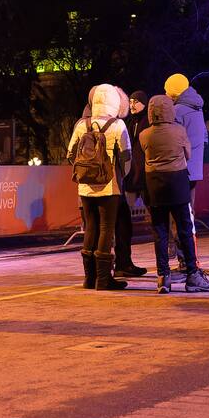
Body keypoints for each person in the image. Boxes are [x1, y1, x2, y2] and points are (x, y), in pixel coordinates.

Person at [140, 94, 209, 292]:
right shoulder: (179, 131)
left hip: (154, 184)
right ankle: (192, 274)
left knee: (160, 231)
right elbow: (188, 154)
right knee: (184, 229)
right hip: (177, 182)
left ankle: (162, 277)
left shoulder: (144, 134)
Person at [68, 84, 133, 291]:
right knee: (107, 228)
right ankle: (104, 280)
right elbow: (127, 156)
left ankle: (89, 278)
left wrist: (85, 174)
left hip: (85, 186)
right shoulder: (118, 125)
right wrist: (119, 175)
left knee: (91, 227)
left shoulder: (82, 124)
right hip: (109, 185)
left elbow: (70, 154)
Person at [166, 74, 207, 274]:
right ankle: (190, 261)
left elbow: (174, 142)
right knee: (187, 217)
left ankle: (186, 262)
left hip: (180, 170)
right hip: (194, 171)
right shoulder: (197, 109)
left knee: (179, 219)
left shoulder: (178, 111)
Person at [113, 89, 148, 278]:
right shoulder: (125, 123)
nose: (133, 105)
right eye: (131, 101)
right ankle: (123, 261)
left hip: (145, 177)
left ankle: (166, 263)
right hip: (130, 177)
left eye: (137, 101)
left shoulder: (148, 122)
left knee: (157, 220)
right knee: (123, 220)